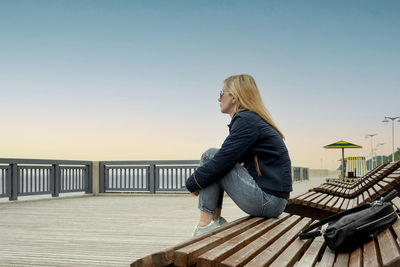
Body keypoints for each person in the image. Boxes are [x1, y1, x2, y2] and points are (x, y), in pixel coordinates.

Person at [185, 74, 293, 236]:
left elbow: (222, 160)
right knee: (214, 160)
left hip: (268, 201)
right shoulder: (252, 120)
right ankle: (214, 221)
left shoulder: (246, 121)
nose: (219, 99)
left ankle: (204, 226)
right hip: (274, 200)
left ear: (234, 97)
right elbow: (227, 161)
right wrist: (200, 180)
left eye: (222, 93)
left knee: (210, 155)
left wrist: (193, 183)